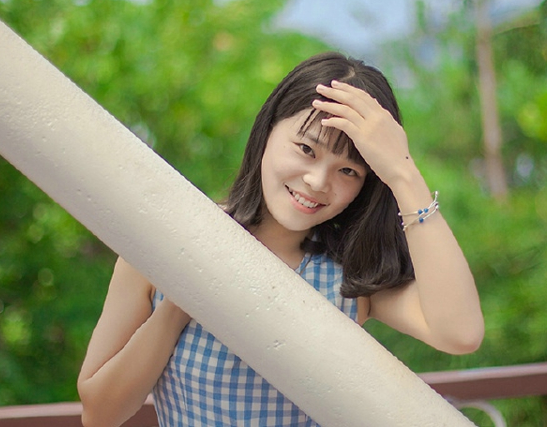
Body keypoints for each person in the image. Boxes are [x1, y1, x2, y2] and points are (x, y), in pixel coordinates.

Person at [77, 52, 484, 427]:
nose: (318, 181)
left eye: (349, 172)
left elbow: (460, 334)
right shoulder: (170, 237)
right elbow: (100, 413)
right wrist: (182, 298)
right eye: (306, 148)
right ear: (268, 130)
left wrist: (402, 171)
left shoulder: (349, 276)